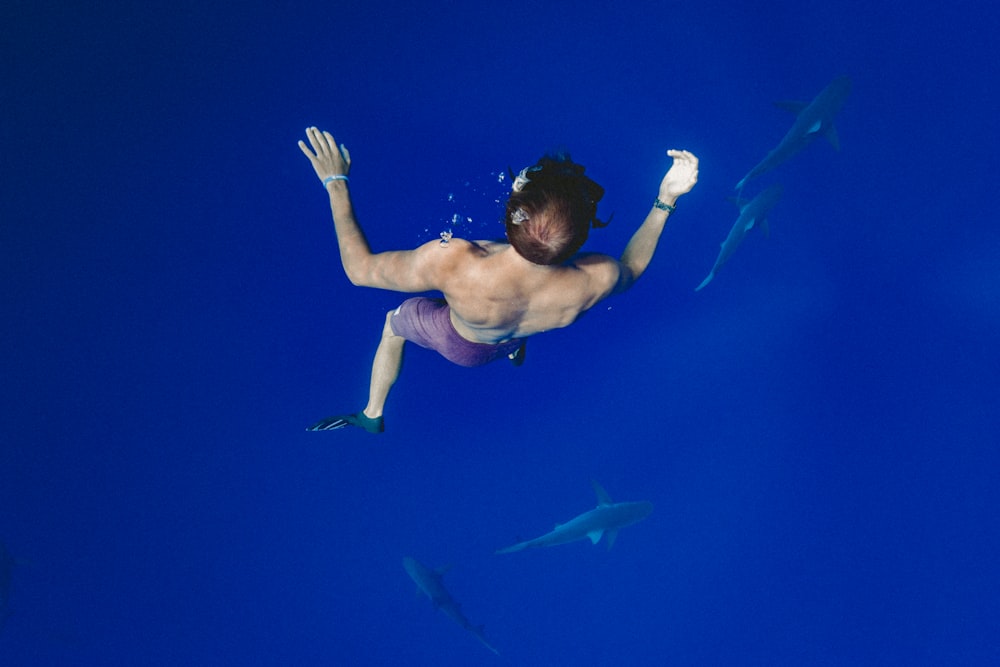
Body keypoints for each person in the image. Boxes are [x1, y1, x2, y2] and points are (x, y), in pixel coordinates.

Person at [297, 127, 699, 433]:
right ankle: (513, 350)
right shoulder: (595, 277)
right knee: (516, 330)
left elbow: (359, 271)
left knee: (392, 324)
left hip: (462, 344)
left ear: (512, 216)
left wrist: (336, 182)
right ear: (580, 237)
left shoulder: (455, 261)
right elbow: (633, 267)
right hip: (520, 329)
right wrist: (667, 198)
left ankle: (371, 415)